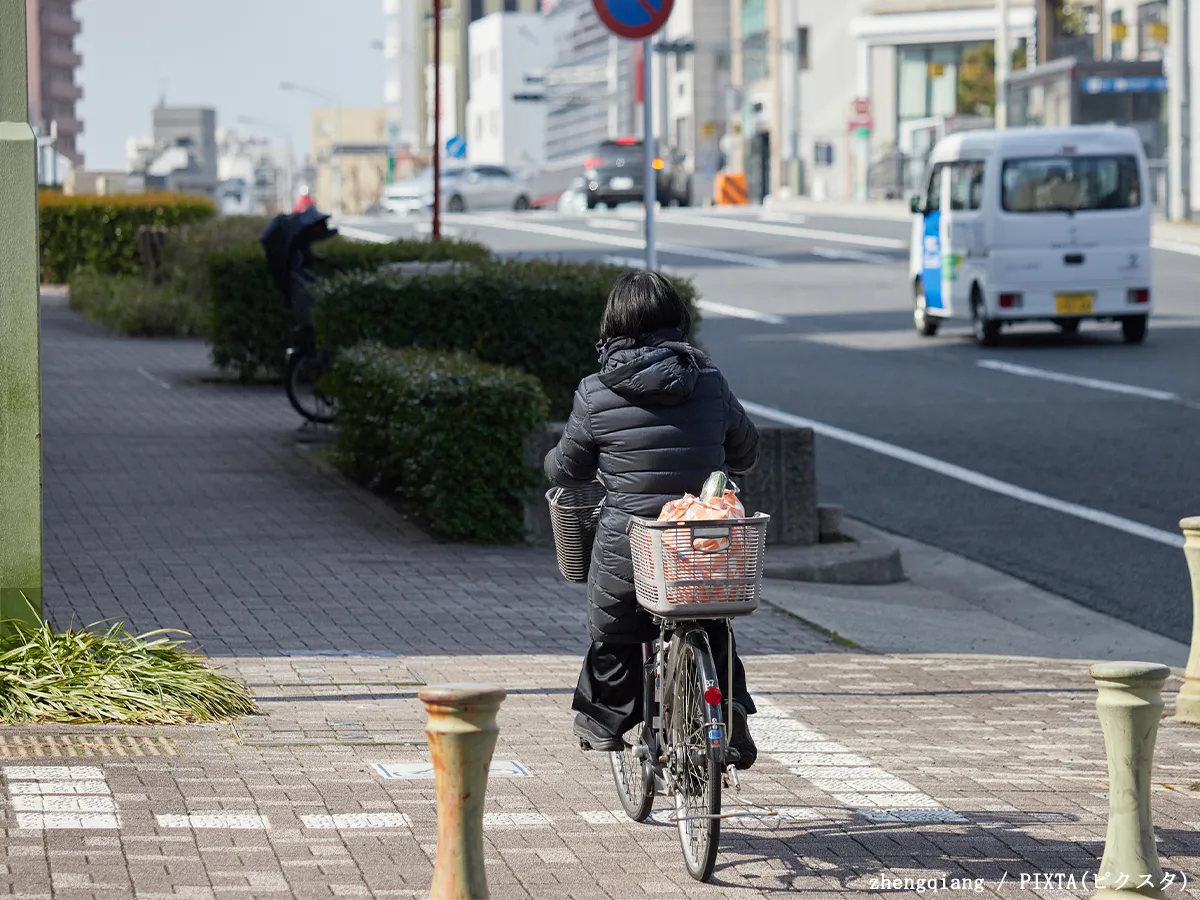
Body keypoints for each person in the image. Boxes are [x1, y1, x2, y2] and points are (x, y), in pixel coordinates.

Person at [544, 271, 761, 768]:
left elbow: (570, 468)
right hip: (701, 540)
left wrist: (553, 465)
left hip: (634, 543)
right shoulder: (709, 382)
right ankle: (730, 713)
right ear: (678, 323)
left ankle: (603, 720)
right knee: (709, 617)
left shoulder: (596, 391)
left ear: (613, 325)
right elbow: (746, 451)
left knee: (615, 625)